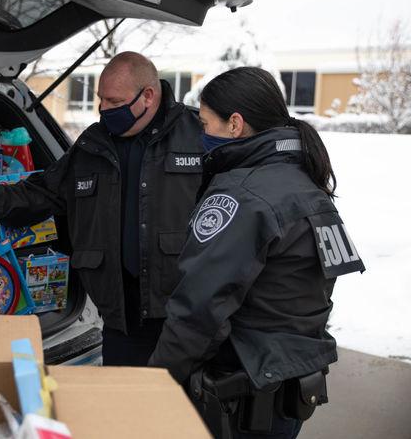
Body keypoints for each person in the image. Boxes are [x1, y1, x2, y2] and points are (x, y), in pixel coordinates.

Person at [148, 67, 365, 439]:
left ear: (235, 124)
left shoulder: (241, 195)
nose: (202, 136)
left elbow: (200, 310)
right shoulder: (306, 185)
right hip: (290, 390)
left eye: (205, 124)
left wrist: (153, 381)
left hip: (243, 399)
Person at [0, 51, 204, 366]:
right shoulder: (93, 143)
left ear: (148, 96)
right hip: (119, 319)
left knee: (181, 410)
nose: (104, 110)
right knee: (120, 407)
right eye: (101, 100)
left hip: (182, 316)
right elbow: (43, 192)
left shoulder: (198, 134)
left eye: (114, 102)